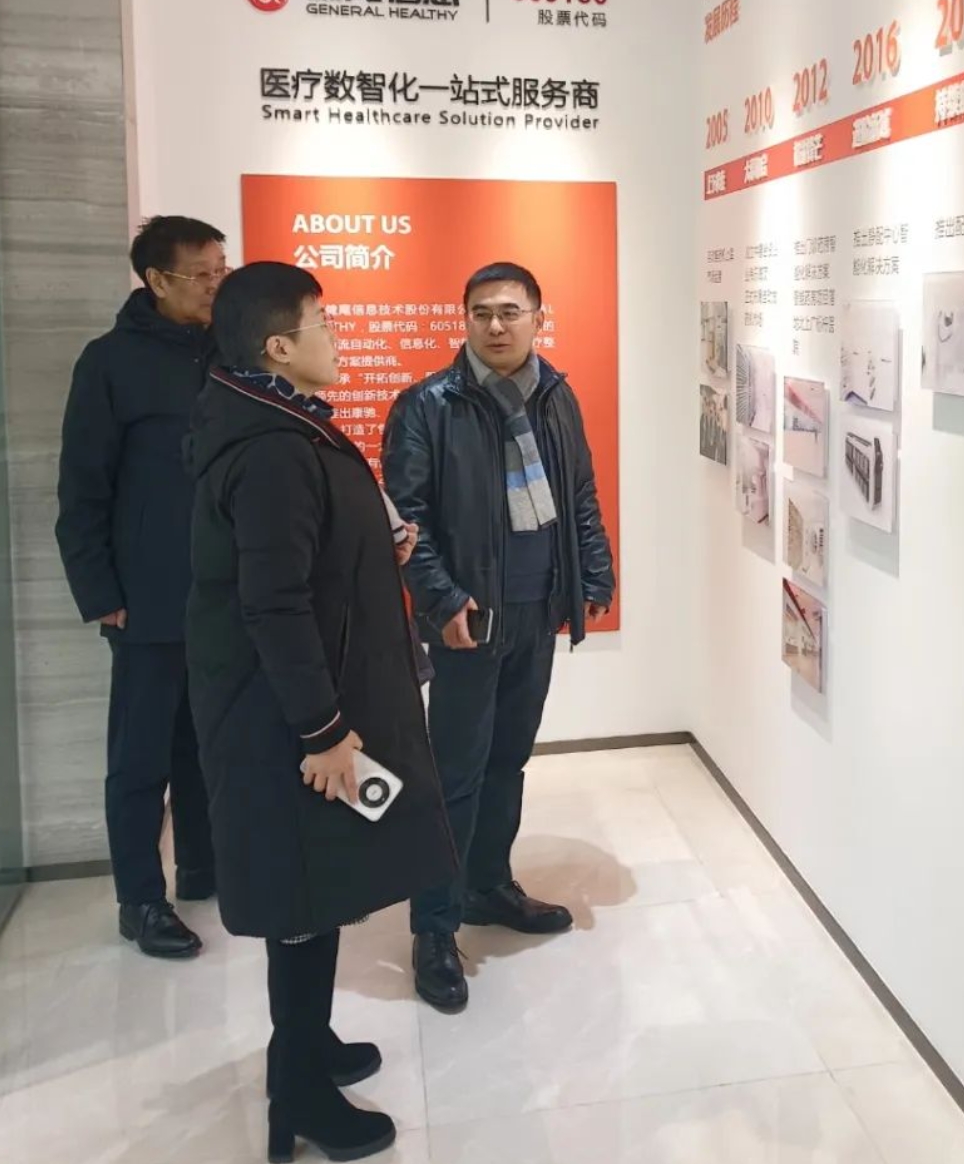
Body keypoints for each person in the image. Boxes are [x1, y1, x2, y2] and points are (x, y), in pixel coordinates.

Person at [185, 262, 455, 1161]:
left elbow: (304, 555)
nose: (335, 339)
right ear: (278, 346)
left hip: (294, 706)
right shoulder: (271, 447)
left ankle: (307, 1042)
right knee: (301, 896)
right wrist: (323, 730)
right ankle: (298, 1091)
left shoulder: (274, 417)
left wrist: (376, 541)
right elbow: (273, 602)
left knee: (319, 884)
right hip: (284, 722)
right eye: (322, 325)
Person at [383, 260, 616, 1015]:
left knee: (507, 762)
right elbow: (406, 521)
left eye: (510, 311)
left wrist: (594, 571)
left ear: (538, 318)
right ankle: (433, 927)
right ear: (464, 319)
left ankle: (487, 885)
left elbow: (578, 493)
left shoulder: (555, 396)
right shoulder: (428, 405)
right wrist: (443, 600)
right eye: (481, 312)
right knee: (453, 773)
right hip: (469, 621)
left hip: (535, 611)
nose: (495, 325)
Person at [54, 216, 226, 958]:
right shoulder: (110, 363)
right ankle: (140, 899)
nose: (217, 285)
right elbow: (81, 489)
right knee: (140, 756)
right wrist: (100, 593)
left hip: (222, 593)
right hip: (146, 597)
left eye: (222, 270)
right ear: (157, 280)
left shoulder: (230, 354)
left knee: (206, 742)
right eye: (202, 274)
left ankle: (203, 868)